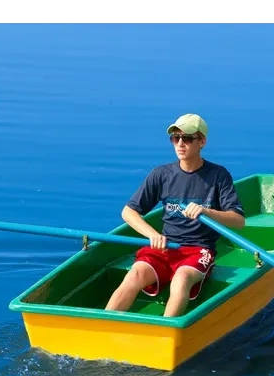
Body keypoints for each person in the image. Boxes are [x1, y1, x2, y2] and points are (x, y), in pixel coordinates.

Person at [105, 113, 246, 317]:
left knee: (181, 278)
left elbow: (238, 221)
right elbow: (129, 212)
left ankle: (166, 330)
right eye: (175, 138)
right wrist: (152, 234)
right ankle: (105, 324)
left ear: (202, 142)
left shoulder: (218, 175)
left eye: (187, 138)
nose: (180, 144)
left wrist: (206, 212)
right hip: (166, 247)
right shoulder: (161, 174)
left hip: (199, 250)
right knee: (134, 274)